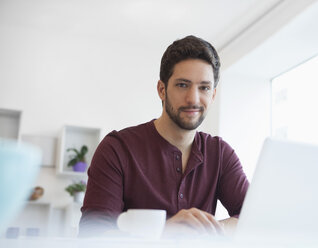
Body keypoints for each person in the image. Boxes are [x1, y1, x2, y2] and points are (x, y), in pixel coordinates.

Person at [79, 35, 249, 237]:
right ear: (162, 89)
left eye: (204, 87)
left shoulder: (221, 154)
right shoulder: (117, 149)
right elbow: (92, 235)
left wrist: (208, 229)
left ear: (212, 95)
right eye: (182, 85)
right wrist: (163, 232)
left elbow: (254, 219)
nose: (193, 99)